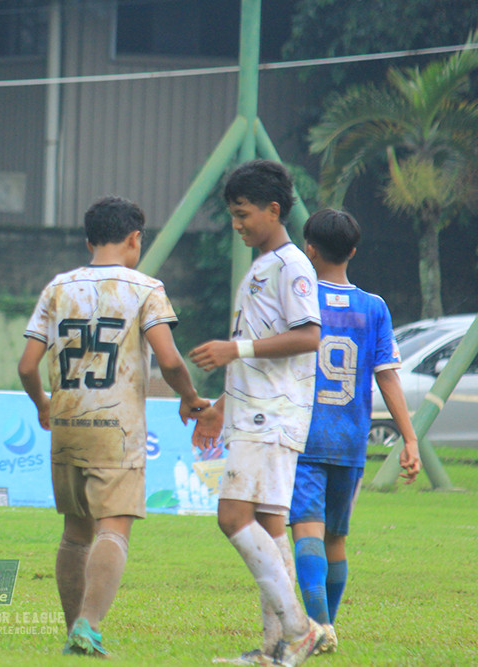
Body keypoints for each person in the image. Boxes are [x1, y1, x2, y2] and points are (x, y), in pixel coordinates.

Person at [17, 195, 214, 657]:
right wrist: (190, 397)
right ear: (134, 238)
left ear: (89, 240)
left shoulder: (58, 288)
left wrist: (43, 404)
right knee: (113, 528)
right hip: (117, 426)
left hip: (66, 419)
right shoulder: (146, 289)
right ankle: (88, 626)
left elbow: (27, 366)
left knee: (74, 532)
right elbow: (168, 359)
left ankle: (74, 628)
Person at [189, 160, 324, 667]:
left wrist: (233, 350)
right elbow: (264, 347)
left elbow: (310, 335)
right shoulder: (263, 263)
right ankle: (273, 650)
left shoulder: (292, 265)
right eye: (231, 214)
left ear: (273, 209)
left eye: (243, 214)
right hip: (255, 411)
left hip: (273, 416)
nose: (237, 224)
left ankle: (300, 628)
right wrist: (223, 406)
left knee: (231, 517)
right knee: (269, 525)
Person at [290, 208, 421, 654]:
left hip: (303, 436)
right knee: (336, 537)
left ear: (309, 248)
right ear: (352, 250)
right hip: (350, 440)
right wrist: (410, 438)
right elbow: (388, 376)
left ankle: (318, 626)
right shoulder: (374, 307)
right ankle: (327, 628)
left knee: (305, 531)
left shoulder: (300, 300)